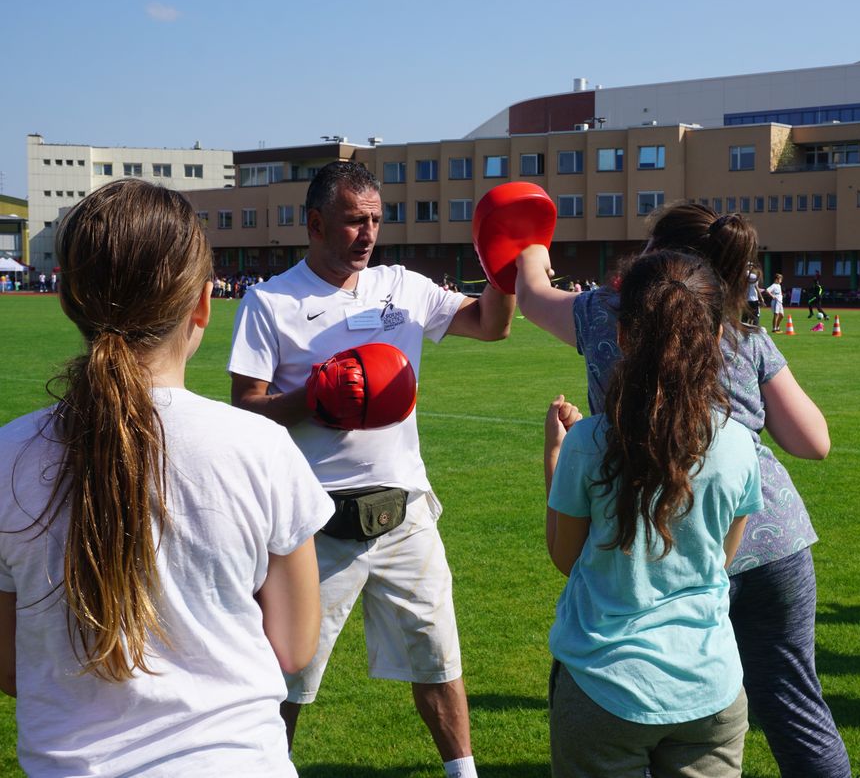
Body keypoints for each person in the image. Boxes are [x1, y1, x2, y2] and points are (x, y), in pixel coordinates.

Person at [0, 179, 327, 776]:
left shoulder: (8, 457)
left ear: (69, 299)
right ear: (202, 304)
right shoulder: (261, 449)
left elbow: (9, 666)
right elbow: (294, 647)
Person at [516, 204, 848, 778]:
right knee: (793, 705)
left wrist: (528, 238)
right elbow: (814, 440)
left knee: (630, 672)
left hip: (650, 526)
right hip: (765, 533)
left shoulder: (604, 318)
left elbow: (530, 295)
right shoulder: (743, 340)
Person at [228, 161, 515, 778]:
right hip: (312, 522)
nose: (368, 234)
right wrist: (315, 398)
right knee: (286, 671)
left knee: (439, 656)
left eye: (376, 221)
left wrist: (507, 268)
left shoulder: (403, 287)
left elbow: (491, 325)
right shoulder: (270, 301)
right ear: (314, 223)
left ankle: (462, 773)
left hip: (405, 510)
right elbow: (245, 409)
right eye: (354, 221)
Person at [542, 251, 761, 777]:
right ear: (714, 339)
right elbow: (720, 559)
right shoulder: (737, 444)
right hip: (710, 687)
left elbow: (565, 556)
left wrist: (554, 455)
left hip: (603, 684)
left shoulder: (590, 444)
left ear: (621, 336)